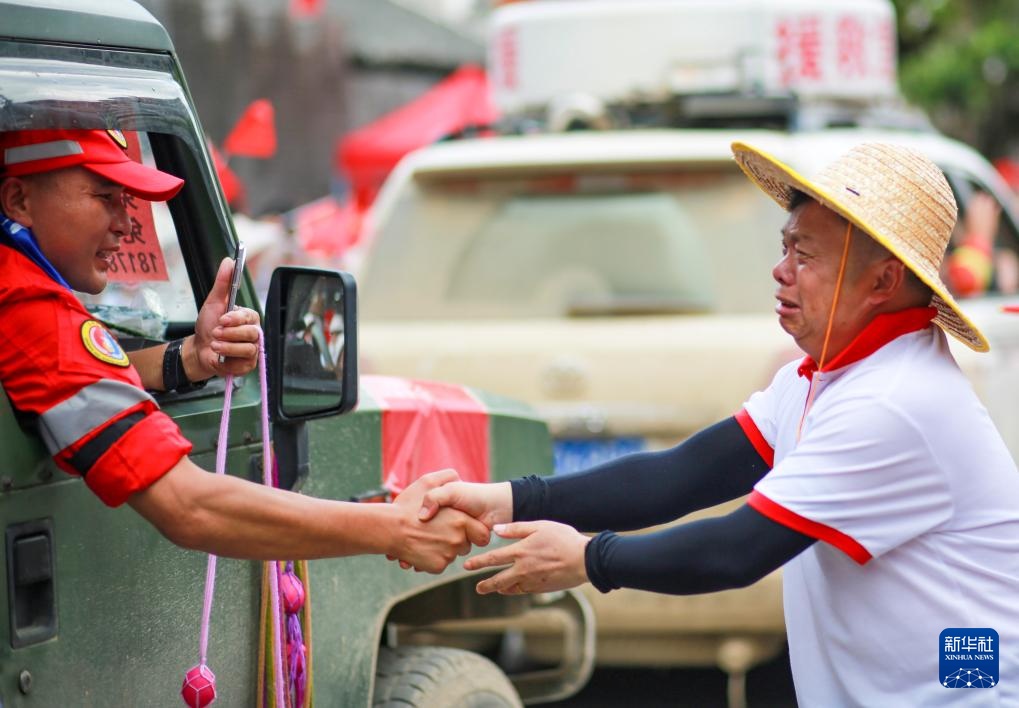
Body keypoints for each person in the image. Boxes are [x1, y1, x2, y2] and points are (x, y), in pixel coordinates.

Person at [418, 142, 1019, 704]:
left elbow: (738, 550)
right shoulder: (827, 376)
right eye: (785, 247)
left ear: (883, 281)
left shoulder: (893, 401)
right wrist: (507, 500)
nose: (781, 271)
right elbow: (682, 475)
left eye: (805, 255)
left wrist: (588, 558)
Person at [0, 128, 486, 571]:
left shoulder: (21, 289)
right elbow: (189, 506)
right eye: (106, 197)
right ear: (18, 200)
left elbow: (66, 367)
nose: (127, 225)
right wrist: (394, 527)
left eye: (128, 202)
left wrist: (188, 358)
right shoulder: (25, 303)